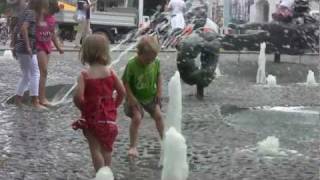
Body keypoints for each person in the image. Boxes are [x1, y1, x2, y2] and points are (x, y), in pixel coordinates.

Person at [72, 34, 125, 171]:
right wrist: (113, 106)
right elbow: (122, 92)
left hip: (92, 119)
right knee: (107, 150)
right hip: (109, 120)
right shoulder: (111, 73)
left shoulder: (85, 75)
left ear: (85, 53)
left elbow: (78, 97)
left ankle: (99, 175)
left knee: (95, 150)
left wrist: (84, 108)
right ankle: (106, 174)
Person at [122, 35, 164, 158]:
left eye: (152, 59)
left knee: (159, 116)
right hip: (136, 98)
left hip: (151, 96)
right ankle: (133, 146)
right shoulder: (132, 64)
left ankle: (165, 141)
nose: (150, 62)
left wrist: (159, 91)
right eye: (147, 60)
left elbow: (159, 76)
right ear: (139, 54)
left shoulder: (155, 62)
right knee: (137, 118)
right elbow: (125, 81)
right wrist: (130, 97)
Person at [12, 0, 46, 109]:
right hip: (27, 47)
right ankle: (35, 101)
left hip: (20, 47)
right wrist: (28, 46)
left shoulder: (24, 12)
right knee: (35, 73)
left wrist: (14, 45)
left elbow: (15, 29)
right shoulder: (31, 13)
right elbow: (23, 28)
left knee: (26, 75)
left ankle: (18, 99)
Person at [36, 0, 64, 106]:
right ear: (45, 7)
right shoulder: (38, 16)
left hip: (48, 47)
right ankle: (41, 98)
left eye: (53, 13)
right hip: (39, 47)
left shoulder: (52, 19)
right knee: (44, 72)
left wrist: (58, 48)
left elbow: (53, 35)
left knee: (42, 73)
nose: (51, 14)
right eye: (50, 11)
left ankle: (38, 95)